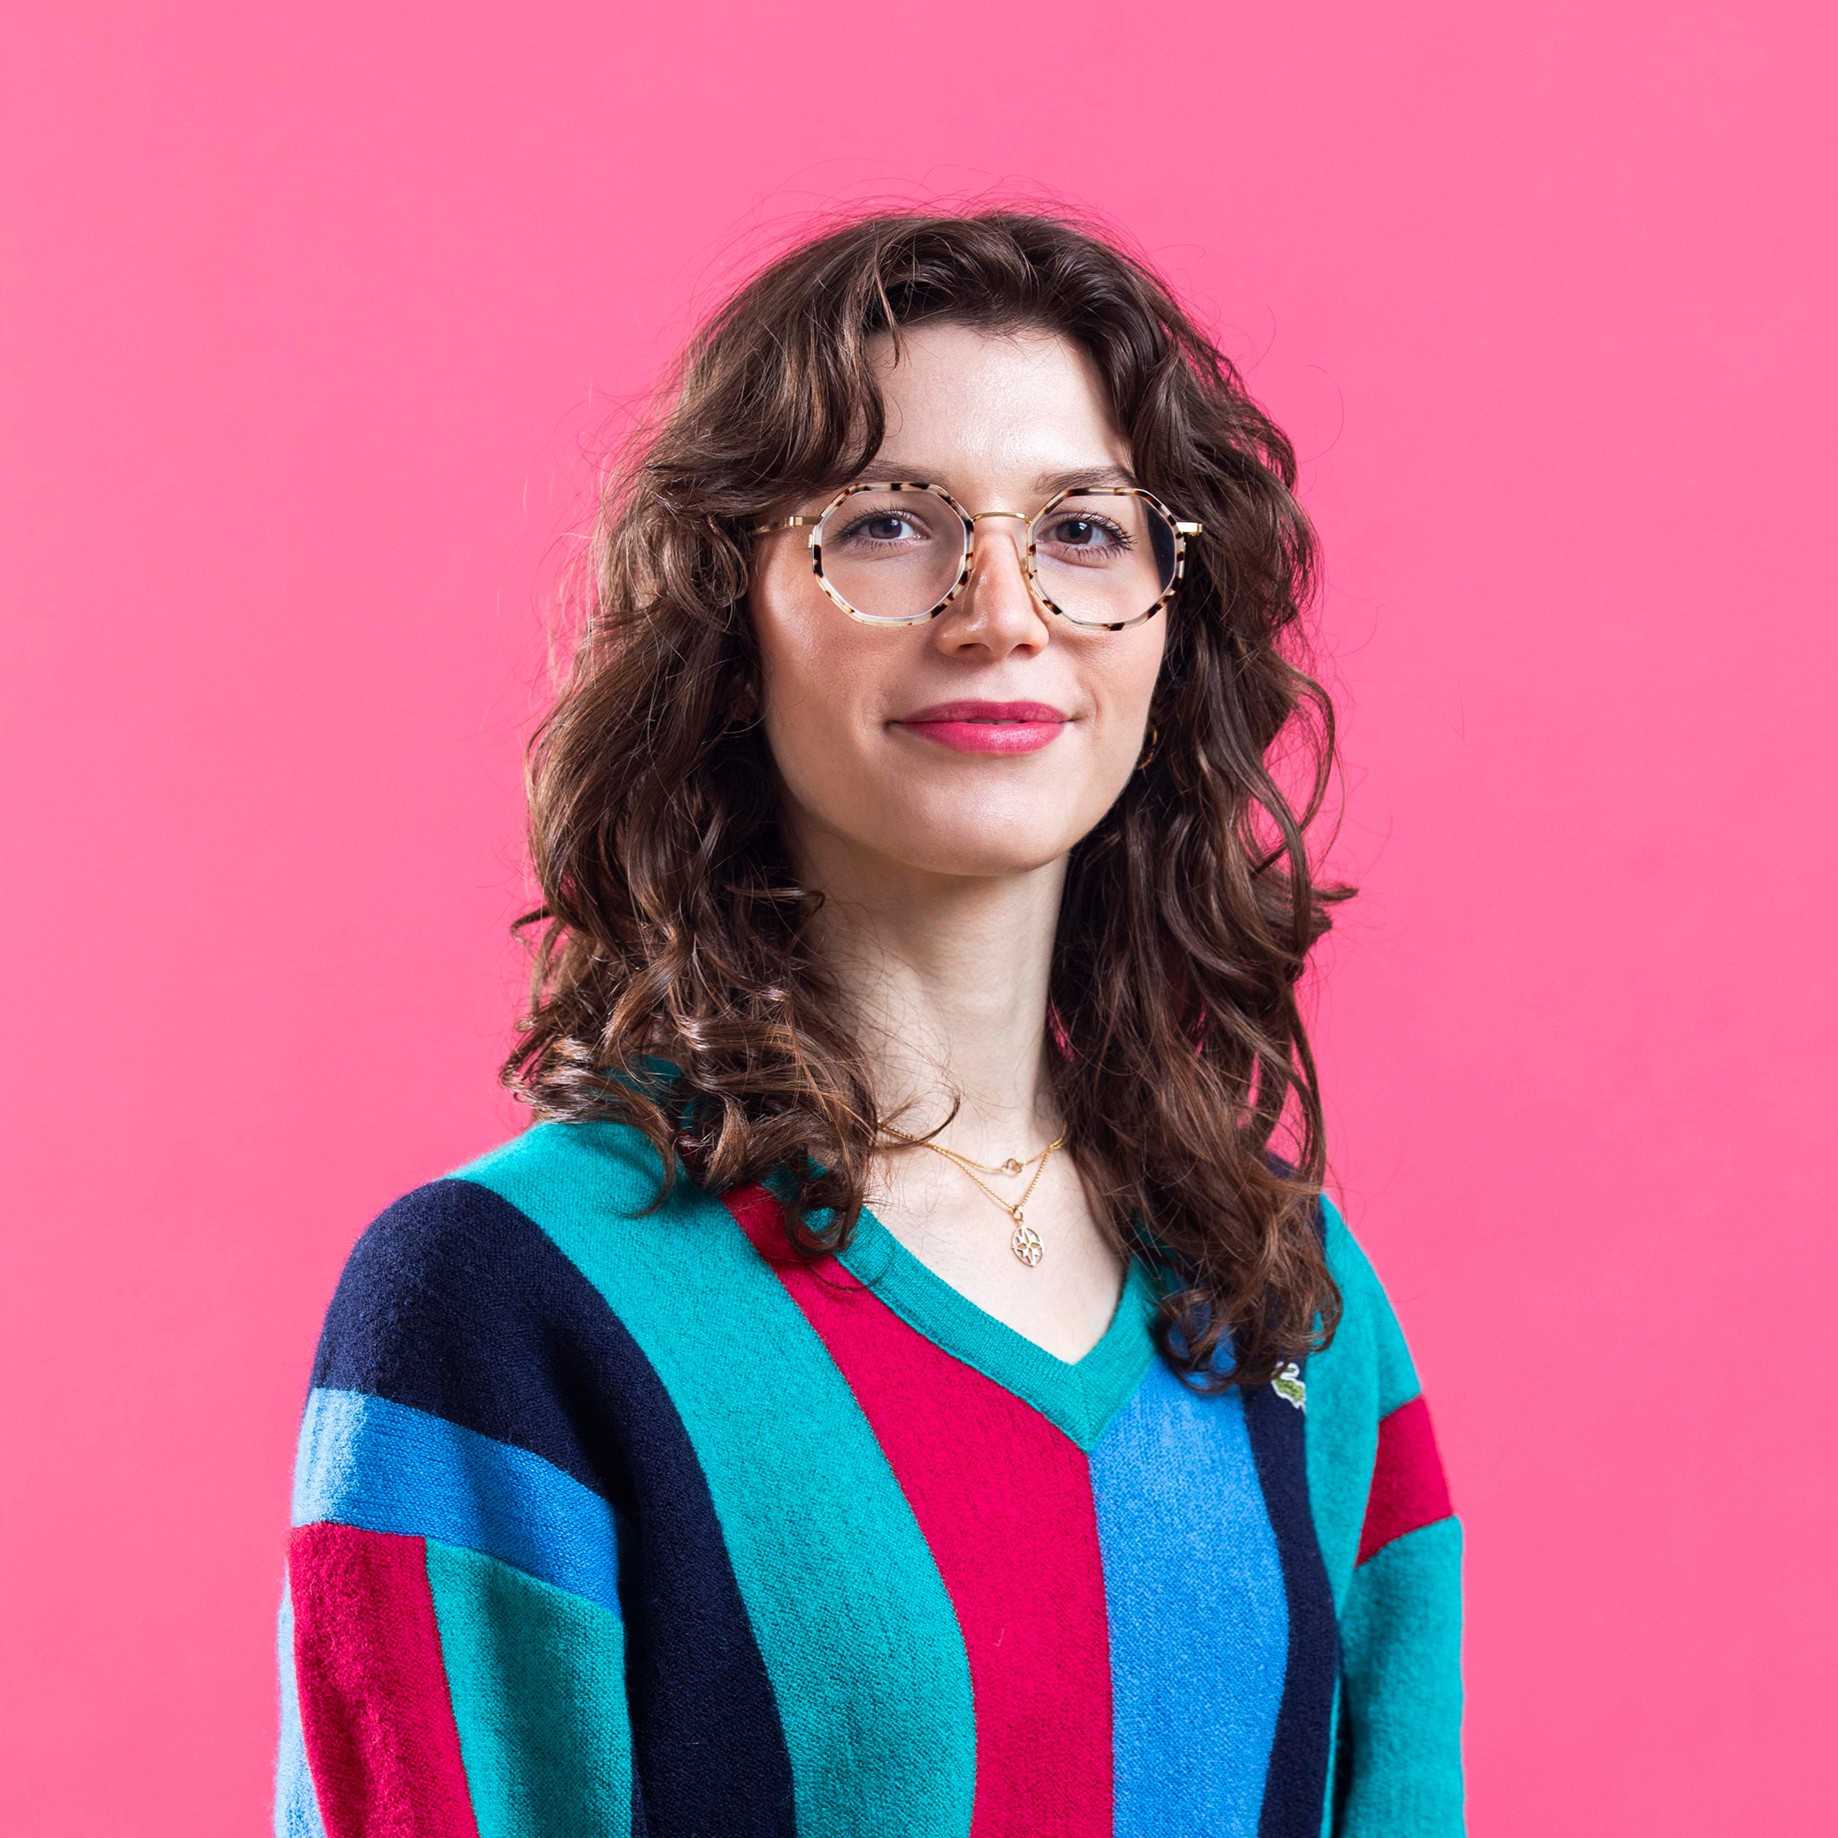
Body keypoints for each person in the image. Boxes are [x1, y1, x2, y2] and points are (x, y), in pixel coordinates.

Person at [275, 210, 1463, 1838]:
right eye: (892, 523)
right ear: (728, 620)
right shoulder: (505, 1300)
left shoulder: (1295, 1308)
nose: (999, 609)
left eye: (1085, 530)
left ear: (1170, 632)